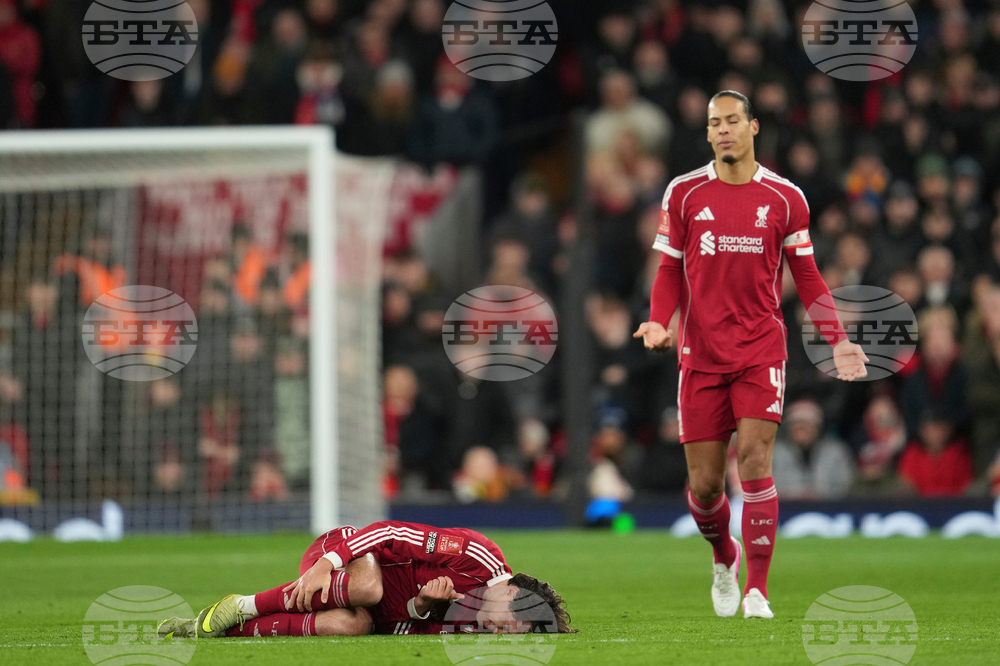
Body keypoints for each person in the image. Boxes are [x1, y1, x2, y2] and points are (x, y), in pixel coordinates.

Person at [632, 91, 868, 619]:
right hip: (700, 353)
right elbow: (669, 268)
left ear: (753, 127)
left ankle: (758, 590)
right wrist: (657, 319)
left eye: (732, 121)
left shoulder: (786, 198)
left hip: (761, 349)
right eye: (714, 122)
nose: (722, 130)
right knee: (706, 486)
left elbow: (806, 276)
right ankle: (724, 556)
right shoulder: (684, 191)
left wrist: (838, 339)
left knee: (756, 463)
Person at [157, 521, 574, 637]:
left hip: (366, 608)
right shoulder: (477, 556)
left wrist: (421, 608)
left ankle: (222, 627)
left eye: (506, 635)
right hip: (345, 552)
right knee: (370, 587)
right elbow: (389, 532)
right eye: (506, 624)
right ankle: (247, 602)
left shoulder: (472, 624)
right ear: (514, 594)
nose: (495, 631)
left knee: (354, 626)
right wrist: (330, 561)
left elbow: (399, 628)